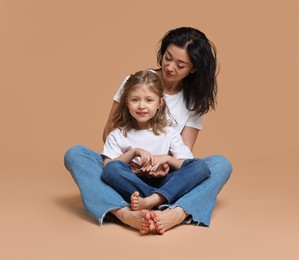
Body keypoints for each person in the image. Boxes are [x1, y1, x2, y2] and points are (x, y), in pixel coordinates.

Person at [64, 27, 232, 235]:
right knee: (76, 154)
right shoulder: (136, 81)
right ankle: (125, 213)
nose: (170, 67)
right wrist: (133, 163)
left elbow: (185, 155)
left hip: (166, 174)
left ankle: (173, 213)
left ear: (194, 68)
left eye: (180, 65)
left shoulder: (194, 100)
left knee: (219, 165)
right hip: (126, 171)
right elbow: (110, 132)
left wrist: (161, 166)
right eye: (167, 58)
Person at [101, 70, 211, 235]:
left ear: (160, 103)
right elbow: (108, 167)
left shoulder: (169, 133)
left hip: (165, 182)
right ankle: (158, 200)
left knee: (200, 167)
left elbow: (186, 163)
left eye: (149, 100)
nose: (142, 106)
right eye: (135, 100)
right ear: (126, 102)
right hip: (132, 183)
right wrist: (133, 153)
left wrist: (166, 159)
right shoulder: (118, 134)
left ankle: (152, 200)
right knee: (112, 169)